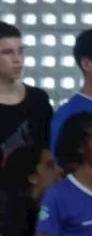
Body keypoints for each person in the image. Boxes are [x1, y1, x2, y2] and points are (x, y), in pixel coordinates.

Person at [0, 21, 53, 160]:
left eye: (21, 51)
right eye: (7, 52)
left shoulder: (38, 99)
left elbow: (48, 150)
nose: (18, 59)